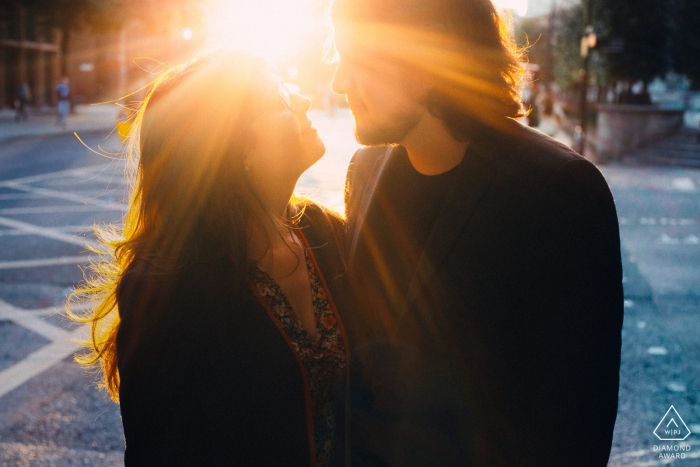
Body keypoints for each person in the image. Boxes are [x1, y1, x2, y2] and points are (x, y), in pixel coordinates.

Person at [330, 0, 623, 465]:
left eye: (358, 61)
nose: (339, 83)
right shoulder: (364, 171)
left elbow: (576, 416)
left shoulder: (559, 189)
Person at [68, 50, 351, 466]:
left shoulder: (327, 232)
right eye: (281, 98)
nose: (304, 100)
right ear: (235, 149)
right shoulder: (167, 287)